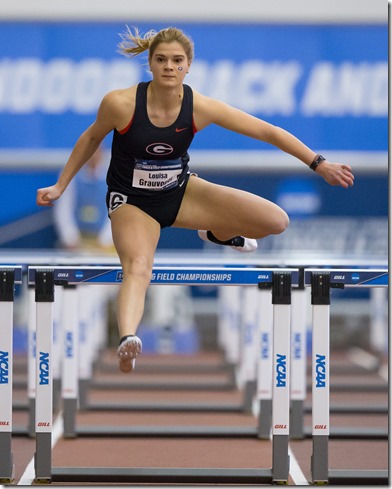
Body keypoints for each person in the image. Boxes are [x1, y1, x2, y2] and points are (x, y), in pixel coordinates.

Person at [36, 26, 354, 373]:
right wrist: (60, 186)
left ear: (188, 66)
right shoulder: (121, 103)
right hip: (131, 203)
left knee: (276, 221)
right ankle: (128, 338)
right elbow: (90, 138)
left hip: (182, 192)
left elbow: (269, 131)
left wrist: (319, 164)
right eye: (161, 60)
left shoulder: (199, 107)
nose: (169, 67)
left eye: (177, 61)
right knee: (139, 268)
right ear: (150, 64)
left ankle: (215, 232)